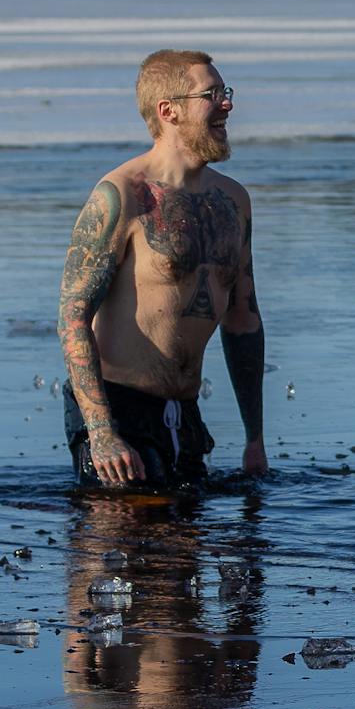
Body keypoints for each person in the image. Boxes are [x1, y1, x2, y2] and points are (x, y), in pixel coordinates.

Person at [58, 50, 267, 490]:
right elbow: (73, 316)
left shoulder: (234, 203)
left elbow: (243, 320)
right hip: (118, 411)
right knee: (125, 542)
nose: (227, 104)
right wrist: (101, 433)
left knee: (183, 552)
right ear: (168, 110)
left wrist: (255, 438)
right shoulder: (121, 196)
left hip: (184, 416)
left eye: (226, 92)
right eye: (212, 95)